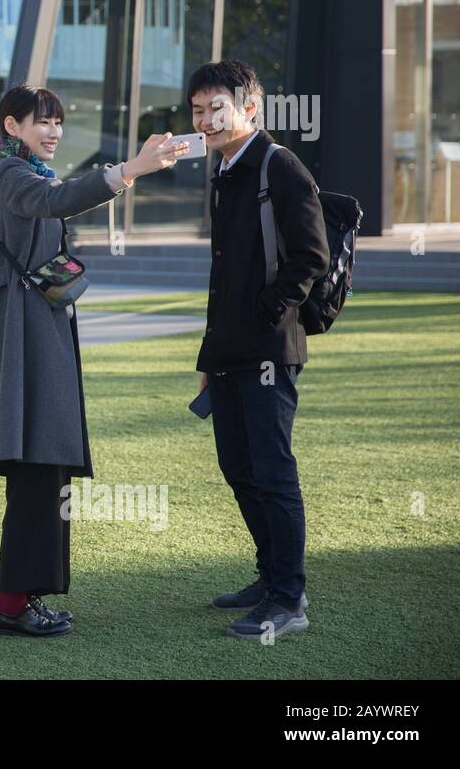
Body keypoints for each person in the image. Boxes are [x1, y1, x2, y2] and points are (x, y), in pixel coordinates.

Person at [0, 85, 187, 638]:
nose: (52, 131)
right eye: (41, 122)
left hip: (37, 327)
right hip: (25, 333)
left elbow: (54, 204)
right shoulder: (10, 172)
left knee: (45, 465)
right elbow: (56, 200)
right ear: (11, 125)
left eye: (58, 122)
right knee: (34, 464)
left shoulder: (25, 171)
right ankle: (11, 604)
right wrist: (130, 169)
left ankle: (21, 598)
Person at [189, 60, 329, 641]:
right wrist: (207, 357)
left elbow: (311, 257)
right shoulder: (224, 169)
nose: (205, 121)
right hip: (227, 350)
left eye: (215, 107)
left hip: (269, 349)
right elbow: (222, 274)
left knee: (272, 473)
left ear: (249, 107)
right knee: (237, 467)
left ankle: (288, 597)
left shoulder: (280, 166)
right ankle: (270, 574)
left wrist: (268, 310)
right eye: (197, 111)